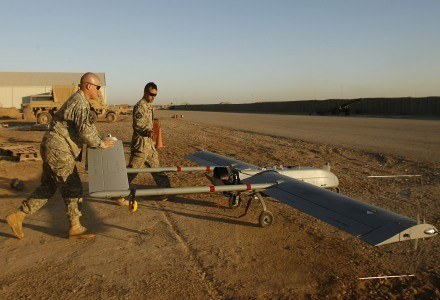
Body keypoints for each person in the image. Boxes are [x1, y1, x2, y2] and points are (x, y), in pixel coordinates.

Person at [6, 72, 115, 239]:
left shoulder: (80, 101)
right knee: (73, 187)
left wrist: (100, 138)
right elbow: (85, 131)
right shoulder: (80, 103)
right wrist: (101, 144)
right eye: (97, 87)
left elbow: (87, 127)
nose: (99, 91)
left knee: (48, 186)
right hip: (59, 150)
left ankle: (18, 216)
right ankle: (75, 226)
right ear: (88, 86)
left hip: (53, 148)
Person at [116, 82, 170, 206]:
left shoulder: (148, 105)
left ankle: (165, 191)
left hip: (149, 144)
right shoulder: (140, 106)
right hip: (141, 144)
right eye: (151, 94)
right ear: (145, 92)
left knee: (156, 167)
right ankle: (118, 194)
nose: (153, 97)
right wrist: (148, 131)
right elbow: (137, 125)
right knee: (133, 170)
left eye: (155, 95)